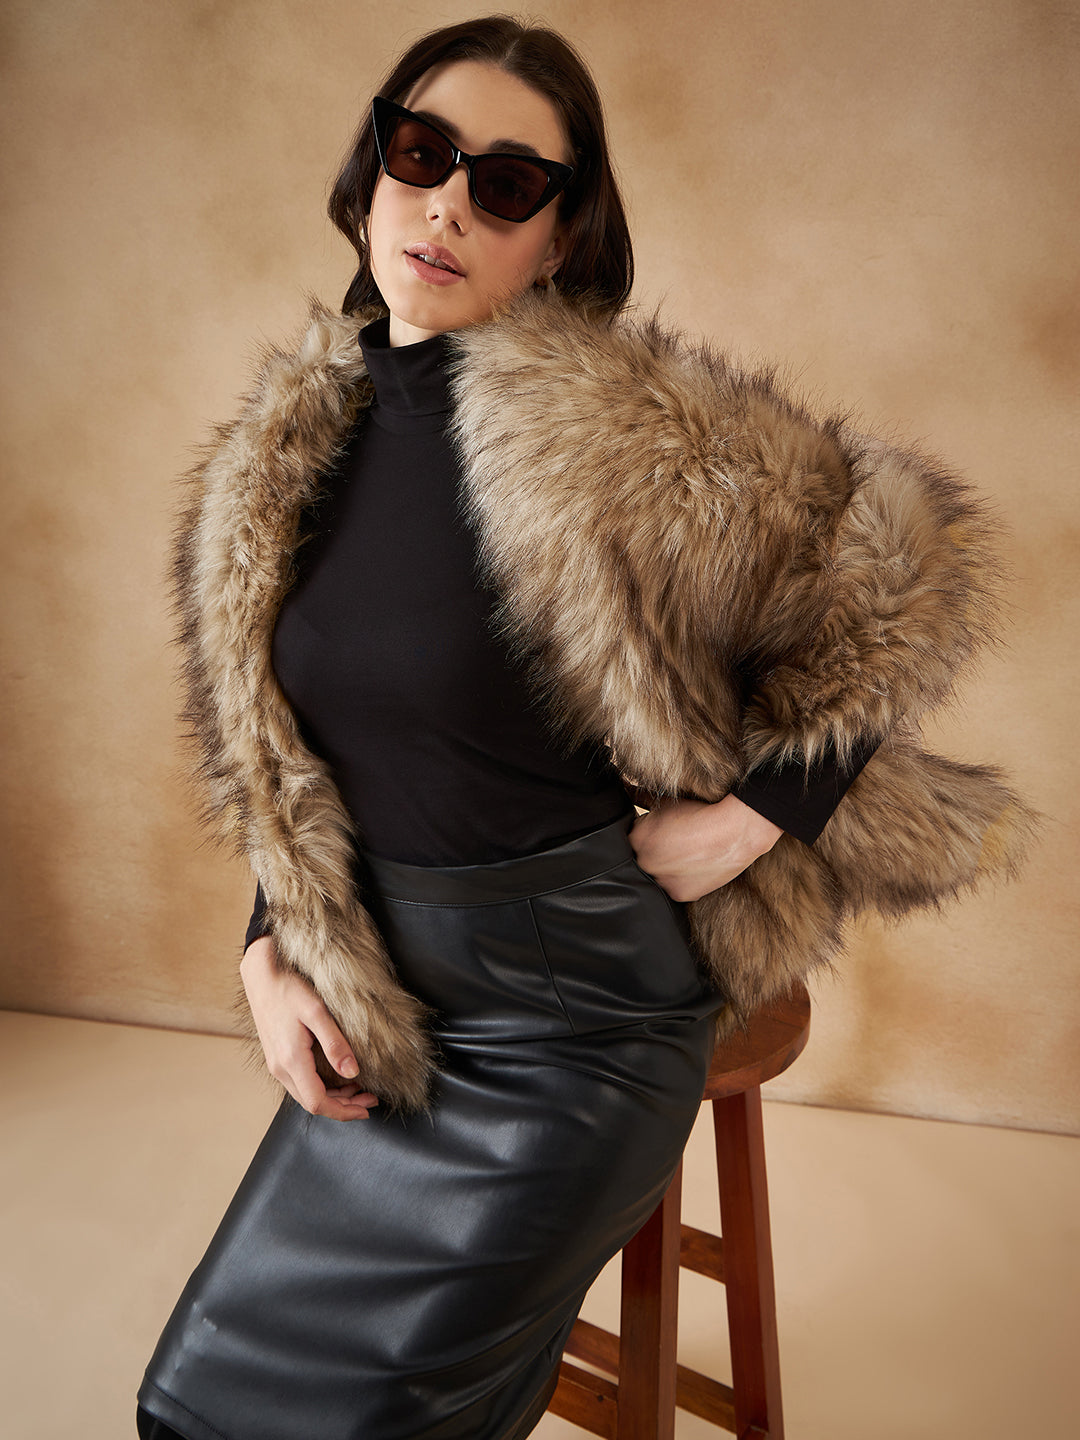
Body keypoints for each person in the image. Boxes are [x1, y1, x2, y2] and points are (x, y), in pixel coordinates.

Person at [136, 16, 1029, 1440]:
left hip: (576, 1020)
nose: (447, 204)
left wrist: (757, 817)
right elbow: (294, 750)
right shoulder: (289, 446)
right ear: (371, 173)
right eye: (421, 154)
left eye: (506, 185)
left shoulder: (616, 438)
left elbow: (902, 576)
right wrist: (268, 943)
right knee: (197, 1406)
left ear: (558, 239)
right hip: (387, 1002)